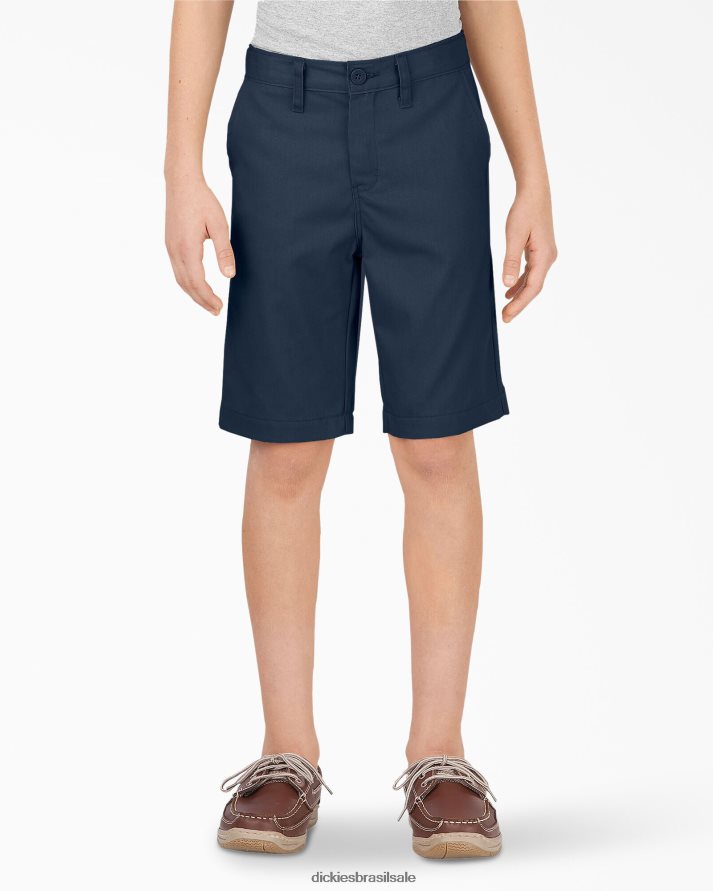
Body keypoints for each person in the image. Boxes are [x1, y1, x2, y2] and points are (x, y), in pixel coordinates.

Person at [164, 0, 556, 859]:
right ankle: (286, 751)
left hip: (432, 111)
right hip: (284, 115)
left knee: (437, 441)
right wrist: (180, 170)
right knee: (286, 443)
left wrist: (532, 173)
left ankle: (440, 754)